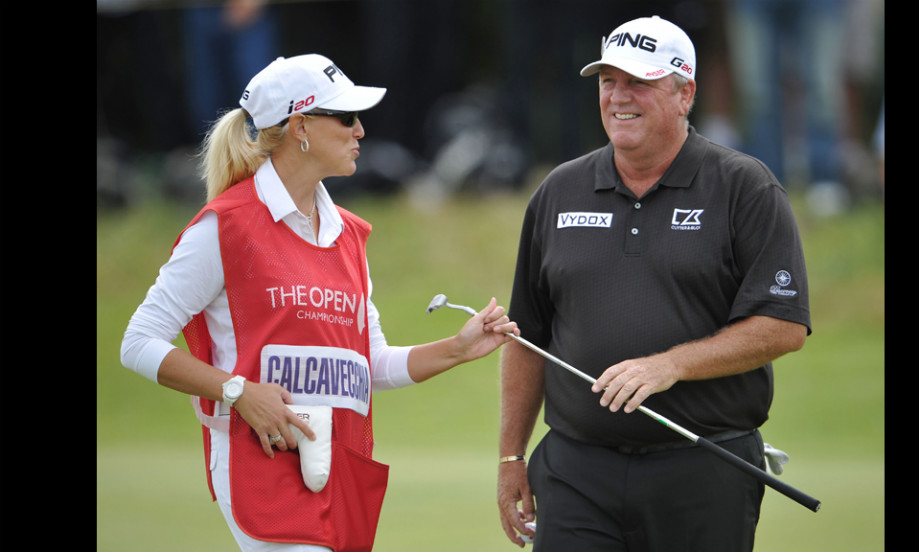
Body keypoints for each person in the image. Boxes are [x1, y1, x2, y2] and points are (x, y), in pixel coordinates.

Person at [120, 53, 519, 552]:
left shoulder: (349, 235)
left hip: (339, 462)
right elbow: (137, 342)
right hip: (260, 462)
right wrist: (238, 391)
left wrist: (457, 349)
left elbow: (366, 365)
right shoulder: (225, 226)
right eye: (347, 117)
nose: (360, 131)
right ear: (300, 126)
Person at [496, 16, 811, 551]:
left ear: (684, 92)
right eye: (607, 81)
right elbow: (527, 336)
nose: (619, 97)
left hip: (704, 465)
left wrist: (670, 365)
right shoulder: (560, 190)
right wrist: (511, 457)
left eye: (638, 82)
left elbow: (783, 325)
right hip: (577, 472)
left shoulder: (744, 186)